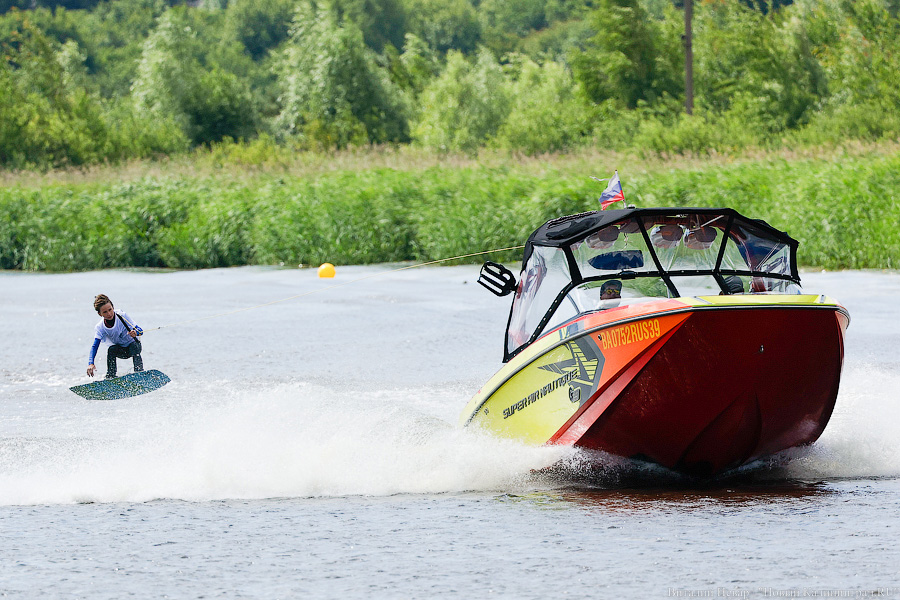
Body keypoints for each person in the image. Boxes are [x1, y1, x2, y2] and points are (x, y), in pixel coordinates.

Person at [86, 294, 144, 379]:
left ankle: (139, 372)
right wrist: (90, 363)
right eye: (105, 312)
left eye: (110, 310)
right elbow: (94, 346)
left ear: (113, 307)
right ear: (100, 314)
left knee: (134, 345)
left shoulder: (122, 315)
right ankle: (111, 377)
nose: (109, 314)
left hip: (134, 348)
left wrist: (136, 332)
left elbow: (140, 330)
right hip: (121, 351)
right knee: (111, 349)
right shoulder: (100, 327)